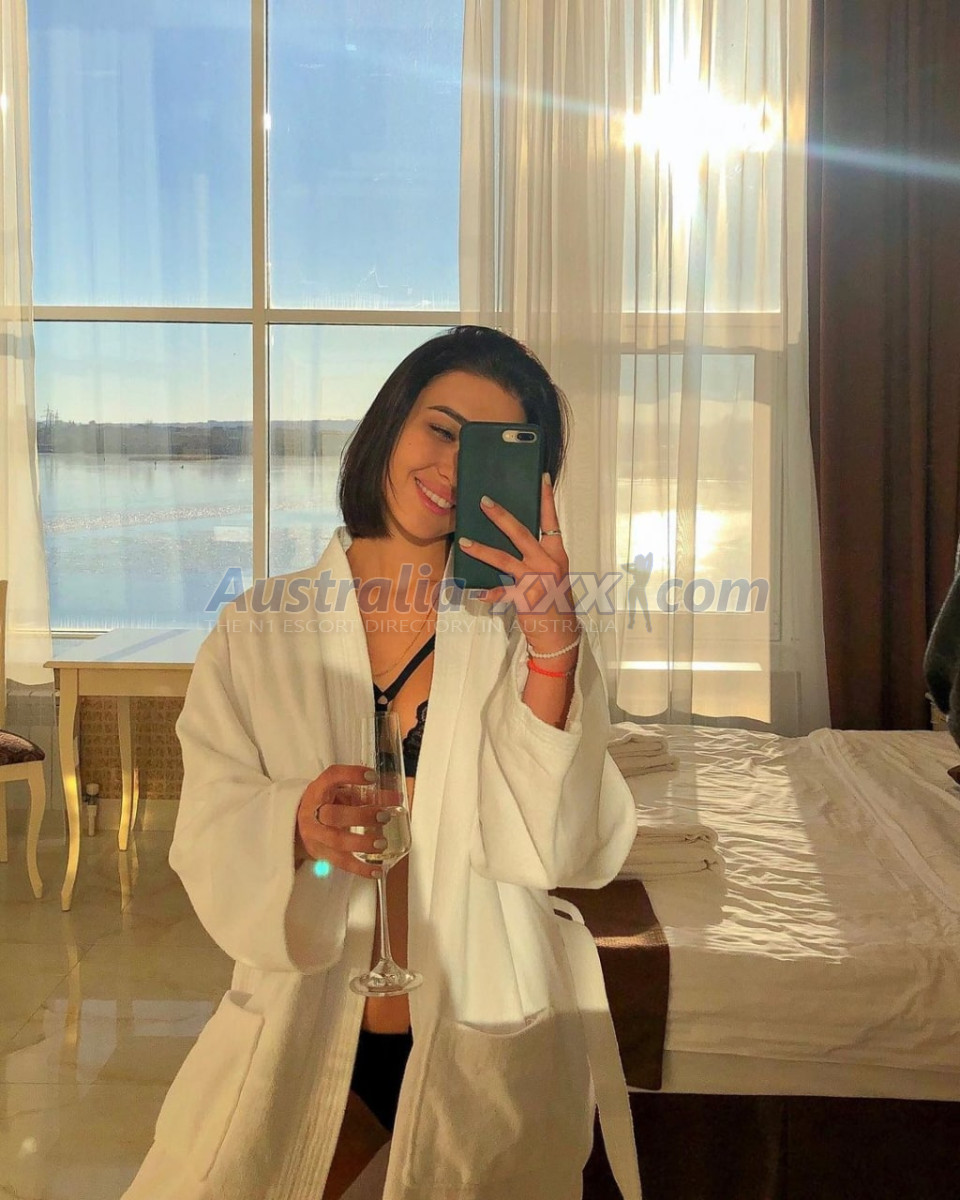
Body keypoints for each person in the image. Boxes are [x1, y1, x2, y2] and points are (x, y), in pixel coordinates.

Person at [122, 326, 640, 1200]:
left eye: (489, 448)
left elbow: (555, 849)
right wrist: (294, 824)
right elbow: (206, 827)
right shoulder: (257, 631)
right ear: (390, 424)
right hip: (303, 1023)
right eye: (440, 429)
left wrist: (554, 653)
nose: (453, 467)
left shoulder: (527, 632)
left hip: (485, 1027)